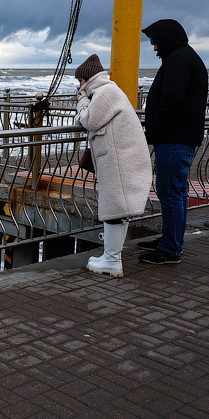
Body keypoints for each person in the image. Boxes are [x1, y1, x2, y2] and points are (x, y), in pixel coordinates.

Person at [74, 54, 153, 277]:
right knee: (118, 208)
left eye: (80, 81)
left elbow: (89, 120)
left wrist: (81, 101)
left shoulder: (105, 93)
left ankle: (112, 260)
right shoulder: (107, 91)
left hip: (118, 160)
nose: (79, 86)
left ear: (86, 78)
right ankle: (111, 257)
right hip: (119, 158)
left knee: (115, 208)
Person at [137, 19, 208, 264]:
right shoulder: (183, 57)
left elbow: (172, 99)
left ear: (167, 38)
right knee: (174, 192)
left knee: (170, 193)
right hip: (178, 139)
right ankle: (170, 239)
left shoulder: (179, 60)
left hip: (175, 139)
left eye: (155, 41)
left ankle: (170, 248)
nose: (154, 47)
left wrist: (155, 128)